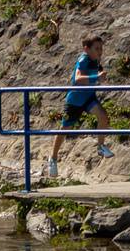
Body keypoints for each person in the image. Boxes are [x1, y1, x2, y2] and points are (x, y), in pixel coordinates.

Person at [48, 35, 116, 179]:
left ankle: (101, 147)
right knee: (64, 129)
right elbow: (78, 78)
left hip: (89, 97)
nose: (100, 51)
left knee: (103, 117)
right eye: (96, 48)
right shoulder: (83, 59)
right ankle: (53, 158)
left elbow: (95, 74)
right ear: (86, 49)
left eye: (101, 48)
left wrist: (100, 75)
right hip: (75, 100)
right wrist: (96, 77)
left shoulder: (95, 60)